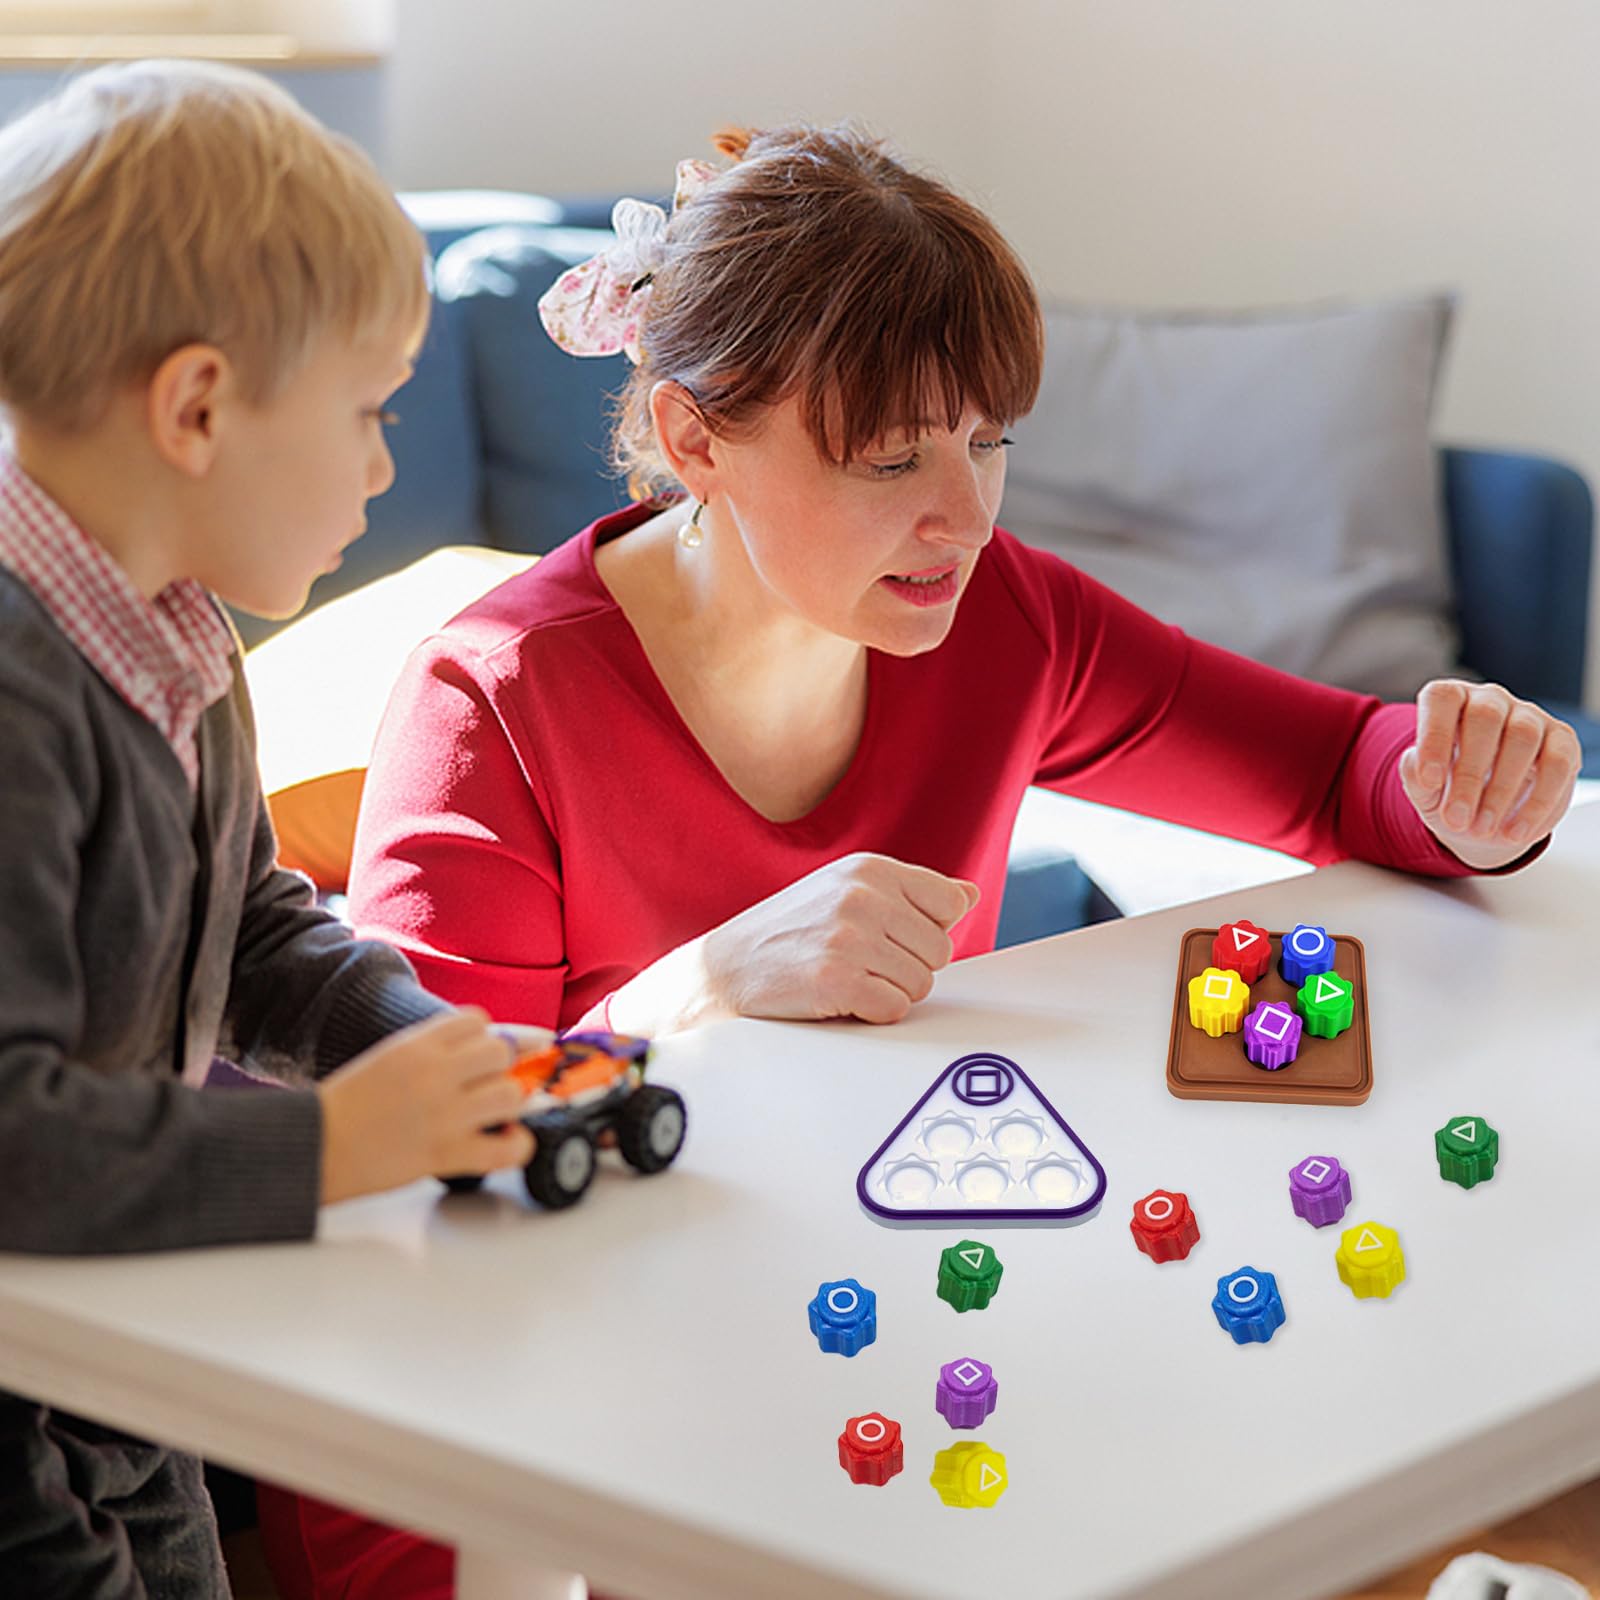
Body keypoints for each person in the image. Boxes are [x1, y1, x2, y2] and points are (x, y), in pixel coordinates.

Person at [269, 123, 1582, 1596]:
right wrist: (700, 984)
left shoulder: (996, 618)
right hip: (595, 1411)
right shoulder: (496, 700)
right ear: (696, 439)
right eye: (892, 457)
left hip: (906, 1327)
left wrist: (1471, 796)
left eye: (986, 439)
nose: (960, 515)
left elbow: (1337, 770)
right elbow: (404, 1180)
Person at [0, 61, 537, 1595]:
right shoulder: (15, 691)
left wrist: (405, 1039)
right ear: (197, 406)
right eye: (368, 414)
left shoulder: (180, 637)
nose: (384, 466)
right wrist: (323, 1149)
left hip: (121, 1350)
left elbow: (245, 924)